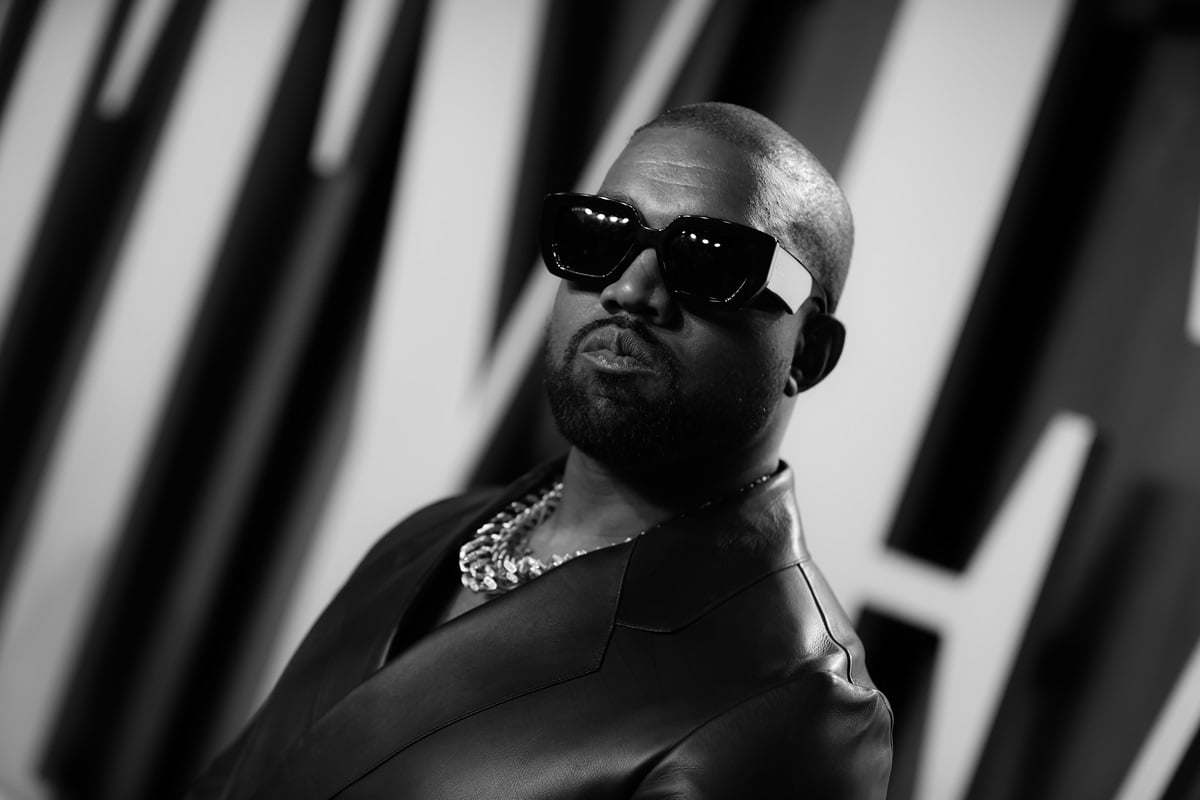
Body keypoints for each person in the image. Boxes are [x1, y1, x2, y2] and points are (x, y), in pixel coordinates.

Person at [187, 102, 893, 799]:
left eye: (710, 261)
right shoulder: (428, 537)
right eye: (598, 234)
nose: (629, 289)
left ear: (809, 350)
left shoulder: (798, 706)